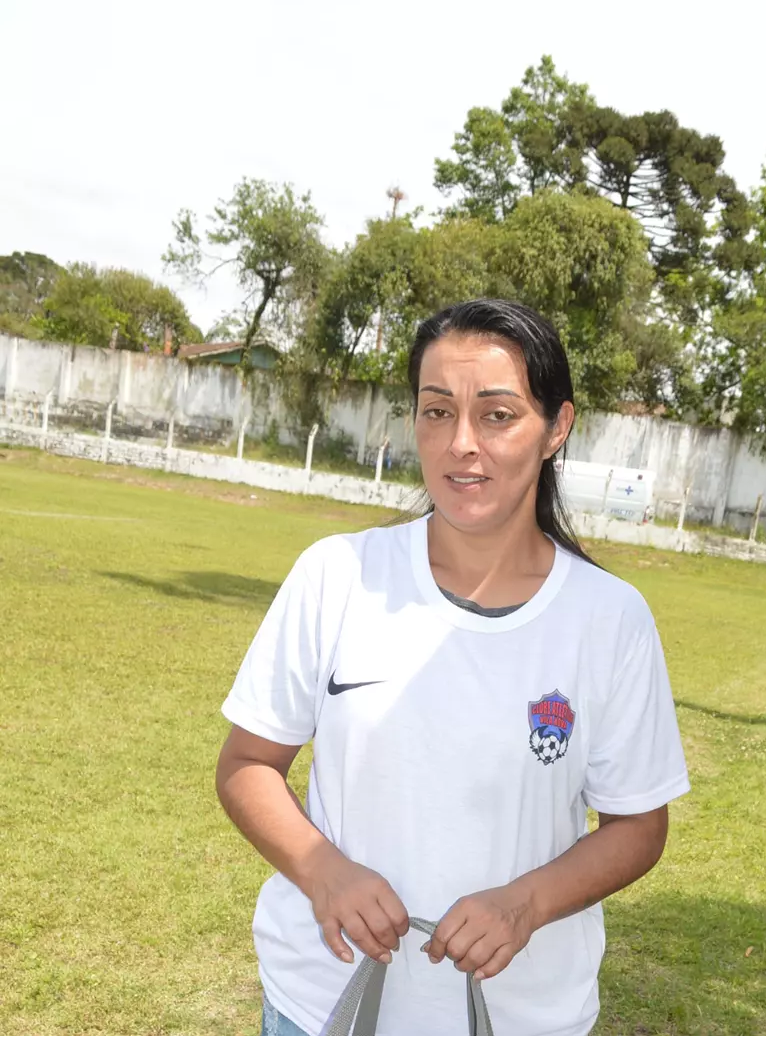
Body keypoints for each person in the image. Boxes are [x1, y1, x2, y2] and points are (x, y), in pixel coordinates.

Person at [216, 299, 690, 1037]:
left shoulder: (609, 618)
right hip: (321, 1005)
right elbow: (247, 764)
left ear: (555, 428)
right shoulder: (337, 575)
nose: (460, 443)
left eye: (496, 415)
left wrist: (524, 904)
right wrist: (323, 871)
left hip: (522, 1016)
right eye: (437, 412)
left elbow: (637, 824)